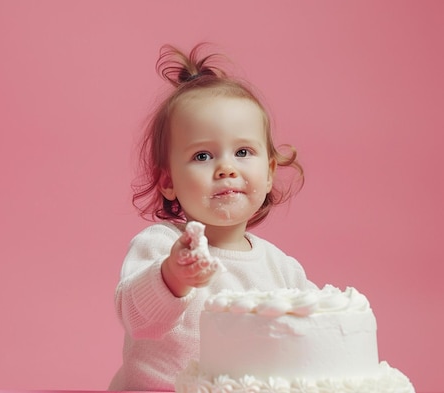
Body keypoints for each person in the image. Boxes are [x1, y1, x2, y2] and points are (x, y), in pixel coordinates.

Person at [108, 43, 318, 391]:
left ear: (268, 173)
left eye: (243, 152)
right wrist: (173, 275)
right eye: (203, 155)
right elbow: (137, 318)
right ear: (168, 181)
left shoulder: (283, 269)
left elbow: (312, 339)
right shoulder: (161, 246)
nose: (226, 168)